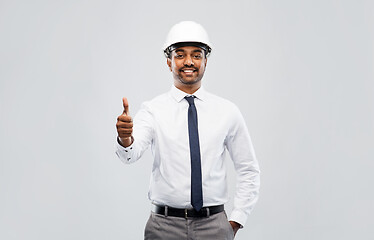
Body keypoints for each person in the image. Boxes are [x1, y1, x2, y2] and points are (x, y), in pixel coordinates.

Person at [115, 21, 260, 240]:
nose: (189, 61)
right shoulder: (152, 110)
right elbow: (131, 154)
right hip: (163, 227)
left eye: (197, 55)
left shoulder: (227, 111)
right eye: (180, 54)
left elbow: (248, 168)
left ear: (205, 61)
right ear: (168, 61)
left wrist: (236, 220)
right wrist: (125, 138)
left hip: (214, 226)